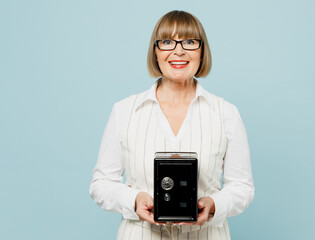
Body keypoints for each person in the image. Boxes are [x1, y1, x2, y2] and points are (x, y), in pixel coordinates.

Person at [89, 10, 255, 239]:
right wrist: (134, 200)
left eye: (189, 42)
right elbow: (101, 184)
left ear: (202, 51)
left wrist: (213, 204)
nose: (178, 50)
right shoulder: (125, 111)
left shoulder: (226, 113)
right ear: (155, 52)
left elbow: (243, 188)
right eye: (167, 42)